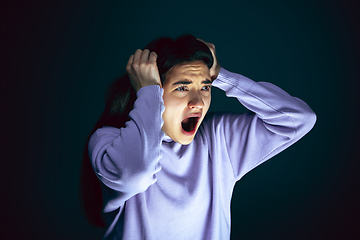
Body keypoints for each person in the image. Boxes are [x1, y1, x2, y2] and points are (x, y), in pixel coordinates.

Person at [80, 34, 316, 240]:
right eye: (182, 88)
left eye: (205, 87)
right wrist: (148, 91)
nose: (198, 102)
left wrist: (221, 75)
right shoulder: (108, 142)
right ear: (150, 89)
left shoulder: (218, 139)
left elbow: (299, 119)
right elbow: (137, 173)